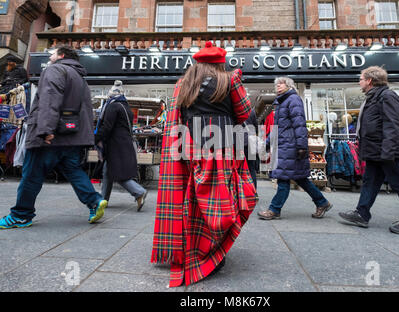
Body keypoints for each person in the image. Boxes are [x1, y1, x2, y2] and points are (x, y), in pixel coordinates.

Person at [150, 41, 257, 287]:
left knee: (196, 201)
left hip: (191, 148)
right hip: (222, 147)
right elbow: (244, 113)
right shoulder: (230, 80)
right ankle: (213, 253)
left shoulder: (182, 84)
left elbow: (177, 117)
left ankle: (196, 247)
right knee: (223, 202)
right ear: (220, 63)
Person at [0, 46, 107, 229]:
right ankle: (94, 201)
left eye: (53, 53)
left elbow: (50, 99)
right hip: (71, 136)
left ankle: (20, 215)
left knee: (32, 174)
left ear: (62, 56)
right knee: (73, 170)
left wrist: (45, 130)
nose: (50, 55)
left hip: (51, 136)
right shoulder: (79, 78)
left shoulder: (55, 69)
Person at [338, 66, 399, 234]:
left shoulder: (387, 96)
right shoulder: (374, 97)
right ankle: (362, 213)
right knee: (370, 182)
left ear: (369, 80)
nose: (359, 82)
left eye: (360, 79)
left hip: (388, 152)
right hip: (376, 151)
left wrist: (388, 152)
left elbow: (394, 126)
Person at [258, 77, 332, 220]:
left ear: (289, 85)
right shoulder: (282, 102)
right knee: (301, 178)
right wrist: (267, 144)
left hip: (290, 146)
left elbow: (299, 124)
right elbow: (277, 129)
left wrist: (301, 146)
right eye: (276, 84)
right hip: (286, 145)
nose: (278, 86)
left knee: (283, 178)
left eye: (281, 83)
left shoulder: (293, 99)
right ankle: (322, 202)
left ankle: (275, 209)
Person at [95, 80, 148, 211]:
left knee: (118, 174)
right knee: (107, 171)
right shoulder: (126, 107)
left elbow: (107, 127)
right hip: (123, 144)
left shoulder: (113, 107)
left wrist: (95, 137)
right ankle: (103, 200)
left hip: (115, 145)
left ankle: (138, 192)